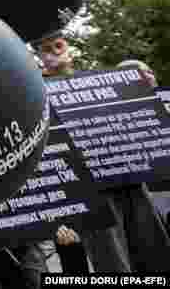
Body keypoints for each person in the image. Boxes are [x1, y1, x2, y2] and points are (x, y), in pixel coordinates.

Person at [36, 35, 170, 275]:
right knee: (114, 263)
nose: (54, 53)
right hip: (91, 193)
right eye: (46, 50)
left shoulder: (102, 82)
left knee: (153, 250)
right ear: (40, 58)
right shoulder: (37, 94)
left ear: (70, 50)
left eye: (58, 46)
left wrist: (146, 93)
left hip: (129, 181)